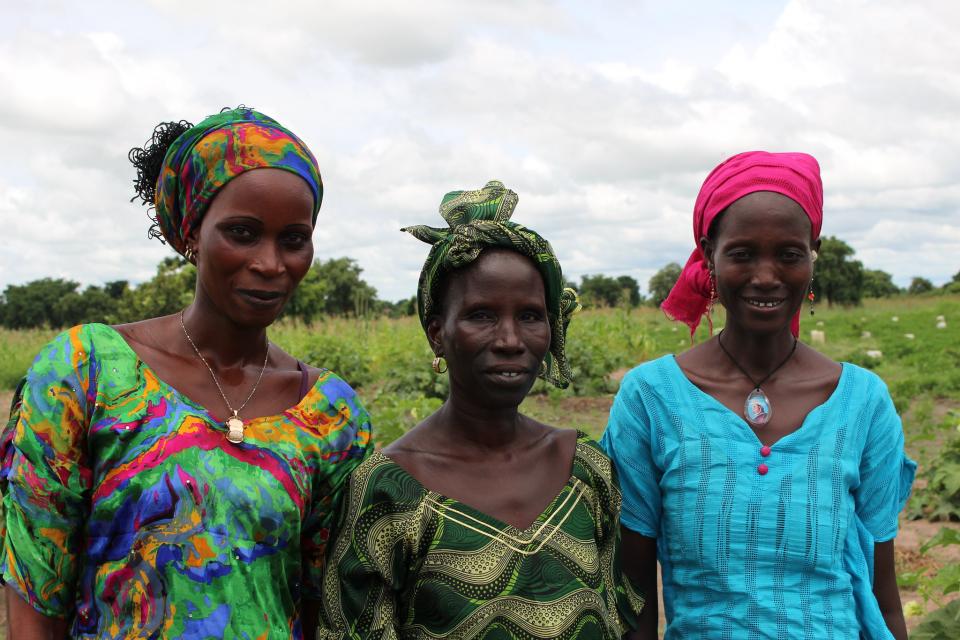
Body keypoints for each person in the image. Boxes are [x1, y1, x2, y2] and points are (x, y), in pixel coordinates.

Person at [0, 107, 371, 639]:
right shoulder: (87, 372)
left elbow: (320, 605)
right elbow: (36, 583)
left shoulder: (329, 413)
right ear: (189, 235)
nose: (270, 263)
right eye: (242, 233)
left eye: (293, 239)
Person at [601, 151, 916, 639]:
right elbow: (633, 597)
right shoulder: (652, 399)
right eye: (742, 253)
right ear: (709, 254)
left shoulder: (862, 403)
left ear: (813, 252)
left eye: (789, 254)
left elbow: (882, 597)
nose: (765, 276)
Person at [318, 180, 643, 639]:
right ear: (437, 332)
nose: (510, 340)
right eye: (481, 315)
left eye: (530, 316)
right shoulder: (386, 491)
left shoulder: (586, 469)